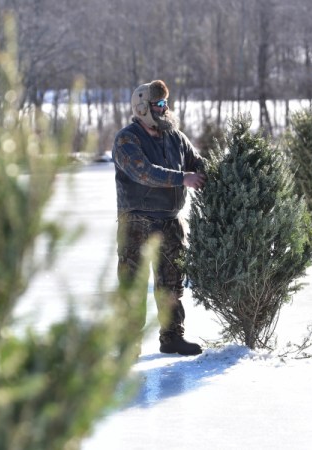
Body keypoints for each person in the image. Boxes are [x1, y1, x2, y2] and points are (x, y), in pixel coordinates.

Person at [112, 80, 206, 356]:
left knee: (172, 282)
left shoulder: (175, 137)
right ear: (143, 108)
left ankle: (172, 337)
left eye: (166, 104)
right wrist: (183, 178)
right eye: (159, 105)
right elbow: (145, 173)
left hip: (170, 221)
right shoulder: (127, 139)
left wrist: (205, 172)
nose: (165, 110)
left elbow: (195, 161)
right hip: (137, 223)